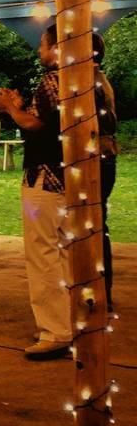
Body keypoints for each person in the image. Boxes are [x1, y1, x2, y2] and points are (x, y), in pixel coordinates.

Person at [0, 24, 71, 359]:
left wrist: (9, 108)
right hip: (71, 179)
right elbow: (43, 121)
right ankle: (71, 323)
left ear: (55, 47)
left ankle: (55, 330)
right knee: (64, 254)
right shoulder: (81, 79)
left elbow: (37, 125)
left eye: (42, 44)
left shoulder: (54, 79)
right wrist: (20, 107)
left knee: (42, 255)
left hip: (44, 181)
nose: (39, 50)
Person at [92, 34, 119, 311]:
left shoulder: (92, 82)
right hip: (104, 156)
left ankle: (102, 292)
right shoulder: (98, 79)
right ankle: (102, 290)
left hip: (99, 158)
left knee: (95, 226)